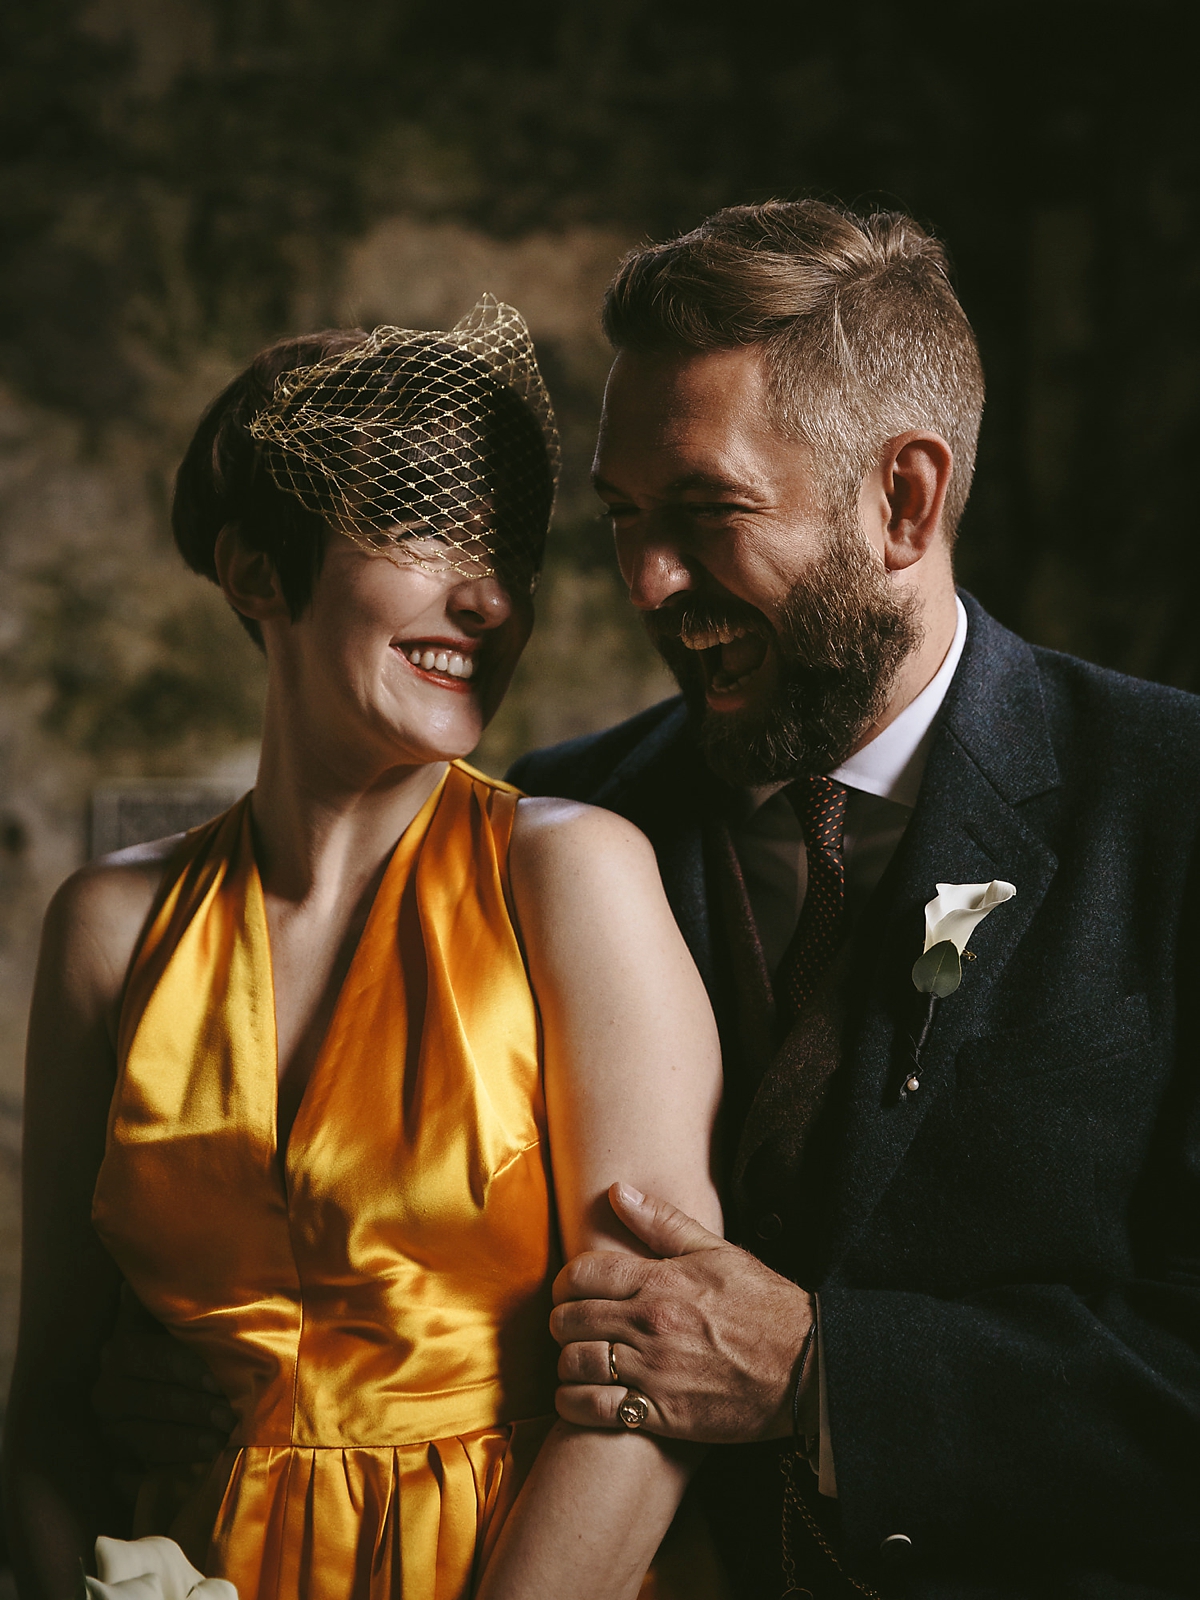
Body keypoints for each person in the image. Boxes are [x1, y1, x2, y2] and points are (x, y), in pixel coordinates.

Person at [510, 202, 1200, 1596]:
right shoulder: (558, 815)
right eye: (626, 520)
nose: (650, 584)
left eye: (707, 516)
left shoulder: (1173, 803)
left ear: (906, 500)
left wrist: (828, 1377)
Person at [2, 298, 724, 1600]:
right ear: (255, 573)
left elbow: (644, 1394)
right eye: (421, 529)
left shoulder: (570, 878)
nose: (491, 597)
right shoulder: (107, 931)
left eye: (507, 550)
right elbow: (46, 1409)